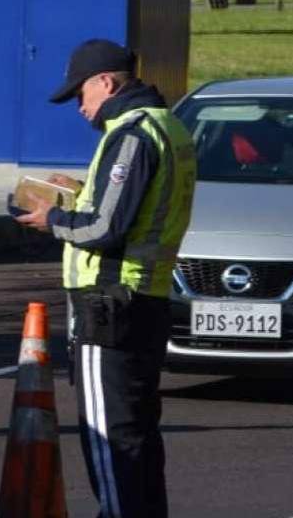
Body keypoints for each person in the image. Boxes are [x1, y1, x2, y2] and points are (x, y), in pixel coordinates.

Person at [15, 39, 196, 517]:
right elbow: (134, 211)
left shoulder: (131, 134)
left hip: (108, 302)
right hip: (146, 298)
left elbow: (104, 228)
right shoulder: (168, 126)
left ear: (107, 83)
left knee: (108, 438)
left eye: (81, 94)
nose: (80, 107)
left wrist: (51, 218)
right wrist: (76, 197)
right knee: (137, 435)